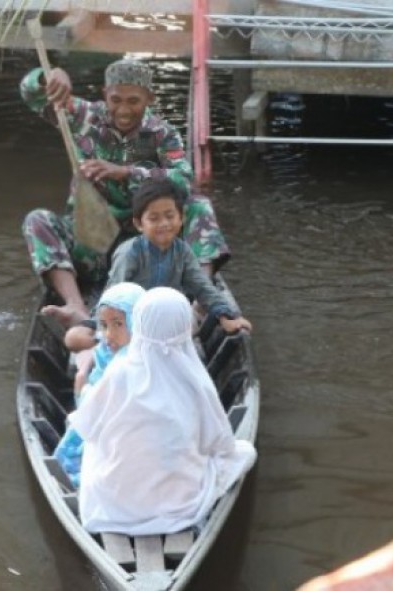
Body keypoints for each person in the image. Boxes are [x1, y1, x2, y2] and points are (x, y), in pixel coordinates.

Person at [20, 58, 231, 329]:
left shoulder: (162, 134)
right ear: (104, 95)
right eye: (115, 100)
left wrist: (126, 172)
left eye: (133, 101)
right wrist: (48, 77)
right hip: (92, 241)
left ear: (149, 99)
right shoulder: (82, 116)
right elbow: (31, 94)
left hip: (146, 248)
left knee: (199, 206)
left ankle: (201, 302)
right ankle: (76, 306)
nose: (123, 110)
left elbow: (183, 180)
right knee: (37, 220)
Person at [69, 287, 257, 535]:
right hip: (179, 504)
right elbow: (220, 441)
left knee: (94, 446)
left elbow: (86, 426)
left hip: (115, 505)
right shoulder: (195, 378)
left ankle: (130, 499)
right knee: (245, 452)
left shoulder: (119, 370)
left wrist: (83, 389)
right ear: (184, 326)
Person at [63, 178, 252, 353]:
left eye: (170, 216)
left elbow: (202, 287)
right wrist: (100, 326)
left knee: (194, 316)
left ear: (182, 218)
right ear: (139, 224)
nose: (164, 224)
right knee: (74, 338)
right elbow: (113, 294)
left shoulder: (183, 251)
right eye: (154, 219)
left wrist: (226, 315)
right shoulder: (130, 252)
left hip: (166, 320)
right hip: (132, 320)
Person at [52, 282, 145, 489]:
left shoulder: (142, 358)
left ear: (137, 322)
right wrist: (84, 385)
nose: (109, 333)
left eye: (118, 324)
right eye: (104, 325)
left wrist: (82, 388)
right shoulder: (105, 350)